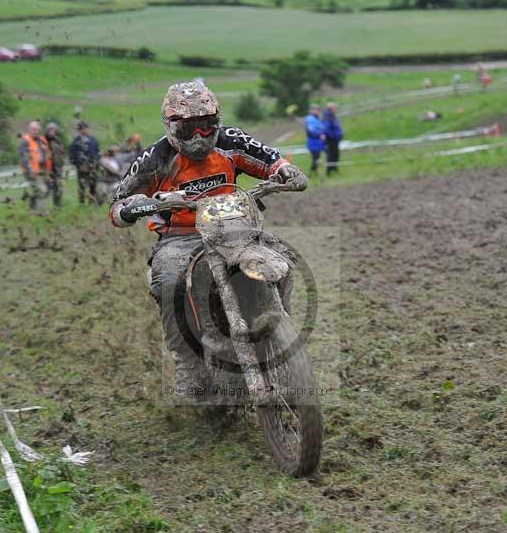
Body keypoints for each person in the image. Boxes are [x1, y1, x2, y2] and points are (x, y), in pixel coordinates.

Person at [110, 80, 307, 398]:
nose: (200, 135)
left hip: (234, 228)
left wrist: (283, 170)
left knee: (281, 256)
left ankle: (279, 321)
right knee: (171, 278)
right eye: (189, 129)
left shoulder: (231, 140)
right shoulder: (155, 158)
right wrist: (138, 205)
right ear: (172, 126)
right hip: (181, 238)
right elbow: (117, 206)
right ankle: (187, 361)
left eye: (207, 125)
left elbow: (269, 157)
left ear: (217, 121)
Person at [18, 120, 52, 213]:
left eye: (37, 130)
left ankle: (31, 208)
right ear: (29, 130)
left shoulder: (40, 140)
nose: (35, 131)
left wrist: (47, 170)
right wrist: (30, 171)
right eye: (33, 129)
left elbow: (44, 154)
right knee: (41, 190)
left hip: (41, 169)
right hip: (31, 171)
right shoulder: (24, 141)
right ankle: (43, 212)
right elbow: (24, 159)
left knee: (47, 188)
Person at [69, 122, 100, 204]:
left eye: (85, 128)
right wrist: (77, 164)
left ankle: (92, 202)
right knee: (82, 185)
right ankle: (81, 203)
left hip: (93, 167)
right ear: (79, 130)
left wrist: (97, 162)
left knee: (93, 185)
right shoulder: (76, 141)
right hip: (82, 167)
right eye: (82, 129)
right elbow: (72, 154)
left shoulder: (93, 140)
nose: (84, 130)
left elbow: (97, 152)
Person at [44, 123, 65, 207]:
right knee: (46, 190)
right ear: (47, 130)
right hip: (48, 170)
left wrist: (61, 165)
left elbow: (61, 153)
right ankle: (37, 207)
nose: (52, 132)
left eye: (54, 130)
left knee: (58, 189)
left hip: (57, 169)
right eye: (50, 130)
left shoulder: (57, 140)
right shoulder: (44, 140)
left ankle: (57, 206)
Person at [322, 103, 343, 176]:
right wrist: (333, 136)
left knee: (335, 155)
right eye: (335, 108)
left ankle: (334, 169)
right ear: (330, 108)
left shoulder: (332, 116)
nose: (336, 109)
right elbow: (326, 129)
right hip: (330, 140)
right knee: (330, 155)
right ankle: (329, 172)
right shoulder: (327, 116)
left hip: (335, 140)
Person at [304, 103, 325, 174]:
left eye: (318, 110)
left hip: (318, 142)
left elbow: (321, 127)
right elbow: (311, 130)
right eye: (315, 110)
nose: (317, 111)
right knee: (315, 159)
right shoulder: (310, 119)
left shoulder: (317, 118)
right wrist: (319, 135)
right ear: (311, 110)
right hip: (313, 141)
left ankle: (314, 172)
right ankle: (312, 173)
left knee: (317, 158)